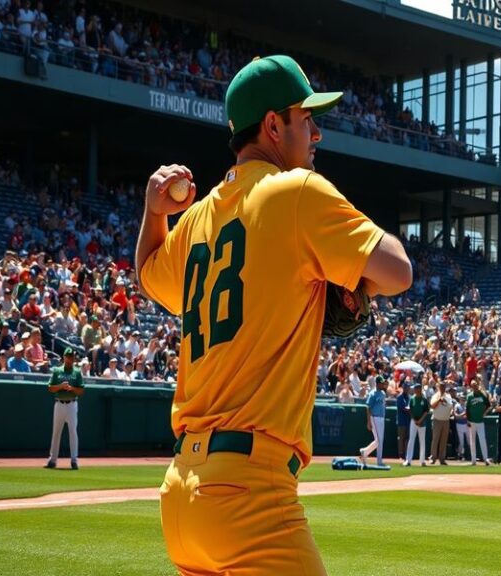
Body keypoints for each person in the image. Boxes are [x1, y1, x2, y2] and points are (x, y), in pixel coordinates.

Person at [135, 54, 412, 575]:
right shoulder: (297, 190)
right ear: (272, 126)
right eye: (306, 120)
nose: (316, 135)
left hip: (180, 494)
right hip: (250, 492)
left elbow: (148, 270)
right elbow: (398, 271)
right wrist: (345, 277)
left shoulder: (194, 218)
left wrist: (154, 213)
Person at [45, 348, 84, 470]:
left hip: (72, 404)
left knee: (73, 432)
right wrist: (61, 386)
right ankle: (52, 460)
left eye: (71, 356)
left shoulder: (77, 372)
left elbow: (81, 390)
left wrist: (72, 388)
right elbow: (50, 388)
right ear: (64, 357)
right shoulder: (57, 371)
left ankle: (74, 460)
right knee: (56, 432)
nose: (70, 358)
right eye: (68, 356)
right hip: (59, 404)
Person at [359, 376, 387, 467]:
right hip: (374, 417)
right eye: (381, 383)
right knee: (378, 440)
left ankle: (377, 459)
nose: (383, 384)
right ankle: (365, 452)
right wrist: (369, 421)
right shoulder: (373, 393)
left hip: (381, 418)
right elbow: (368, 407)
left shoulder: (383, 393)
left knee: (380, 441)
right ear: (377, 383)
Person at [466, 378, 491, 465]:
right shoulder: (469, 396)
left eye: (476, 385)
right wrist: (468, 420)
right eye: (473, 386)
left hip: (480, 421)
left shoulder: (482, 395)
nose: (475, 387)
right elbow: (467, 409)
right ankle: (473, 460)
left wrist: (484, 413)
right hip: (472, 421)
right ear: (471, 387)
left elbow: (488, 405)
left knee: (482, 439)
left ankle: (485, 459)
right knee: (472, 441)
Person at [404, 383, 429, 466]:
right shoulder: (412, 399)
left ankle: (422, 461)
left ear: (419, 389)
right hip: (414, 421)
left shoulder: (424, 399)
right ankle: (408, 460)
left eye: (416, 388)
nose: (414, 390)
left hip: (422, 422)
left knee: (422, 441)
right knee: (411, 440)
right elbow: (410, 410)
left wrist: (420, 420)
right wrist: (414, 420)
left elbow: (426, 411)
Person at [429, 381, 453, 465]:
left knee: (444, 440)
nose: (442, 388)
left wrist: (451, 412)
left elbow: (450, 406)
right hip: (437, 420)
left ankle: (442, 458)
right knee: (435, 439)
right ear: (438, 387)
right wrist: (439, 400)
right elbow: (432, 406)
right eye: (441, 386)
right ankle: (433, 457)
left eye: (444, 386)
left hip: (446, 420)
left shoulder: (448, 396)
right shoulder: (435, 396)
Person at [395, 381, 411, 460]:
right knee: (401, 438)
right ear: (403, 388)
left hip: (408, 421)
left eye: (408, 387)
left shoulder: (410, 397)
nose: (407, 389)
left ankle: (406, 454)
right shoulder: (399, 397)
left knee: (407, 438)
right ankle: (400, 454)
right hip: (401, 421)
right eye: (405, 387)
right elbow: (404, 408)